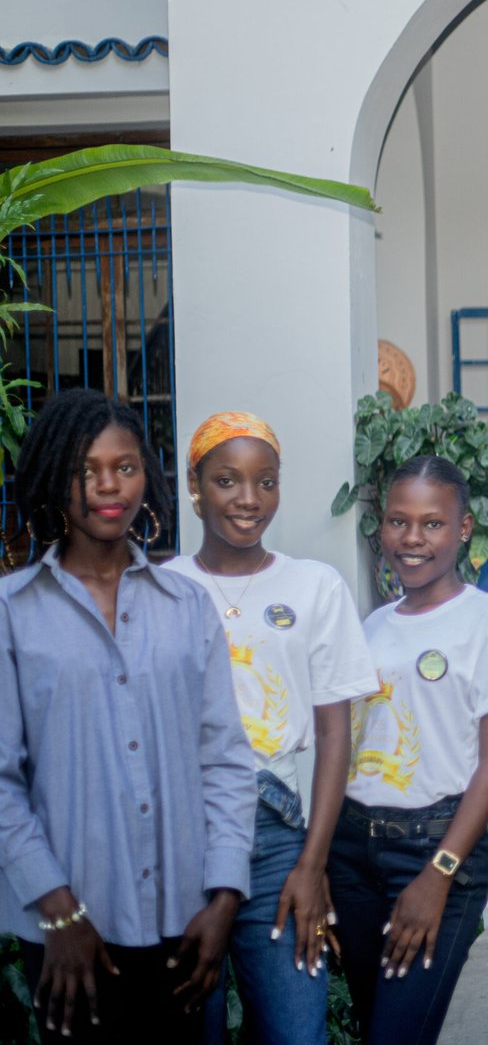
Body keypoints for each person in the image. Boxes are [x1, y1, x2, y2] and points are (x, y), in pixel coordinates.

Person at [0, 388, 255, 1044]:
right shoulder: (11, 610)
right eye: (86, 469)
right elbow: (1, 780)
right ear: (55, 475)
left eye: (126, 465)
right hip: (66, 932)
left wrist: (224, 893)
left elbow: (225, 757)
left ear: (148, 474)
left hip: (185, 924)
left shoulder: (186, 605)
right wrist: (57, 909)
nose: (108, 485)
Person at [168, 412, 377, 1045]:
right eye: (227, 480)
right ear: (194, 486)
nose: (249, 499)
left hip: (279, 842)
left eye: (266, 481)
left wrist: (312, 866)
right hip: (183, 841)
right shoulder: (160, 590)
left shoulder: (315, 586)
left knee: (296, 1033)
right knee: (186, 1028)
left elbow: (336, 732)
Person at [327, 455, 488, 1044]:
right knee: (377, 1027)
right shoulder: (370, 626)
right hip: (352, 851)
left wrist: (439, 872)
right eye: (398, 521)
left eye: (432, 524)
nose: (411, 539)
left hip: (434, 849)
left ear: (463, 528)